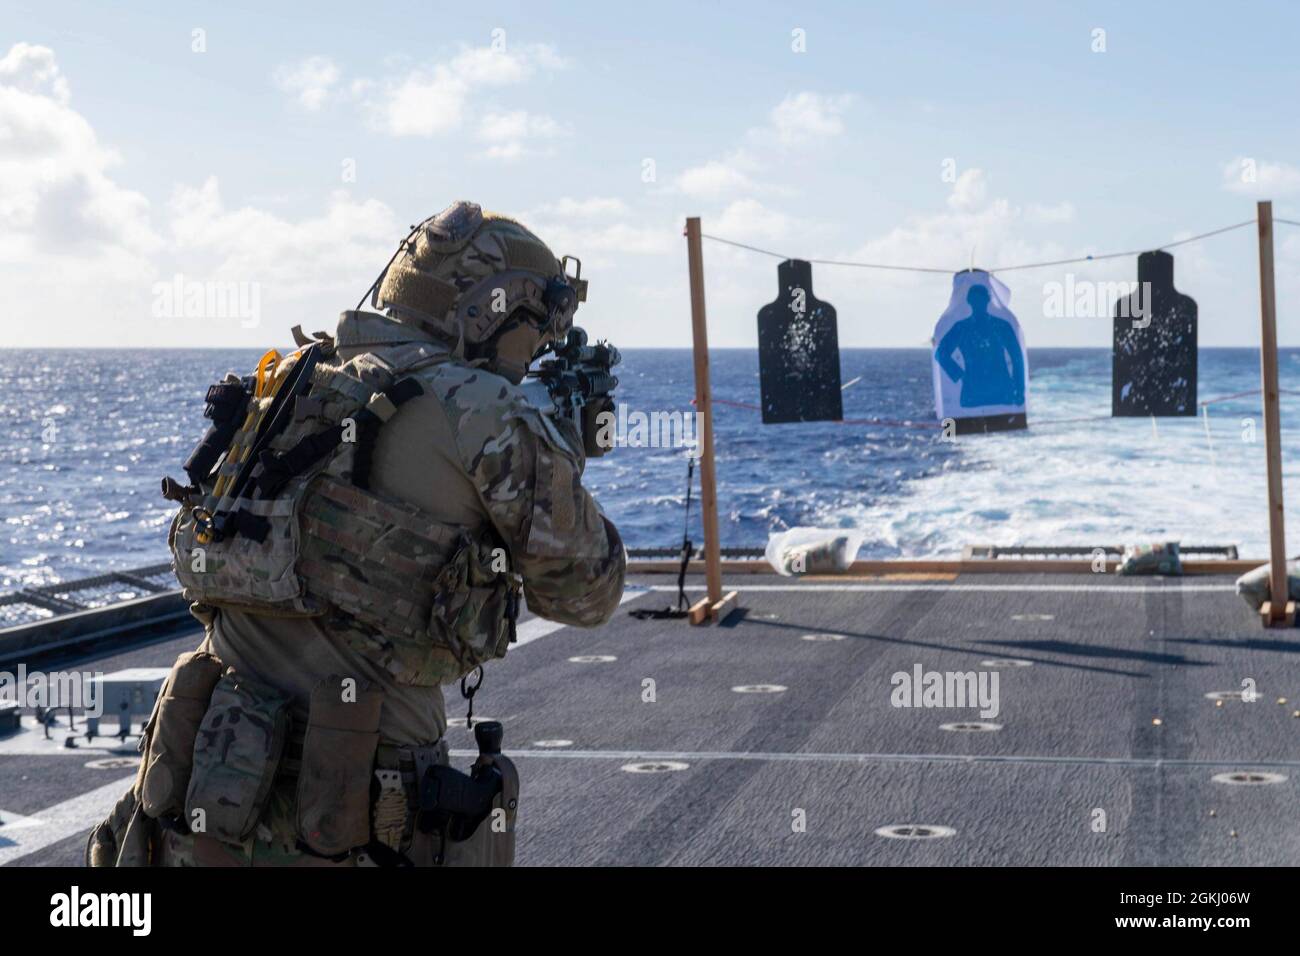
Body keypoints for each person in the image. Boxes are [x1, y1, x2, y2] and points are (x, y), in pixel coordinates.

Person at [87, 201, 626, 867]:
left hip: (207, 790)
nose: (536, 349)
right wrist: (559, 454)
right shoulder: (487, 411)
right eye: (536, 329)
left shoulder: (292, 379)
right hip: (352, 817)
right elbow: (585, 594)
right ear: (492, 311)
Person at [935, 283, 1025, 408]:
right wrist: (960, 375)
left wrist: (1020, 390)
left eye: (980, 299)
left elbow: (1017, 358)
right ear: (970, 301)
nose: (978, 303)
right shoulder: (962, 328)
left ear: (987, 300)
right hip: (980, 393)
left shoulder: (1001, 326)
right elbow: (941, 353)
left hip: (994, 392)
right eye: (976, 299)